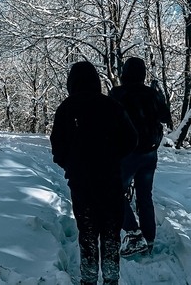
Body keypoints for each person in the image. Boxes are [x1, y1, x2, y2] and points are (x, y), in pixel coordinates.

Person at [50, 61, 137, 285]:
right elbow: (131, 139)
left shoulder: (66, 108)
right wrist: (113, 157)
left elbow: (57, 147)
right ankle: (111, 278)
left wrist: (71, 164)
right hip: (110, 179)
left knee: (87, 232)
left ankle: (88, 279)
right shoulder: (112, 106)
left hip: (81, 182)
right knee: (110, 232)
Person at [109, 57, 172, 257]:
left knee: (114, 193)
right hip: (150, 153)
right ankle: (149, 240)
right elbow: (165, 118)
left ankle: (134, 234)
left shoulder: (117, 93)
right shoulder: (152, 94)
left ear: (124, 73)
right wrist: (159, 96)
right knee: (145, 196)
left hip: (127, 154)